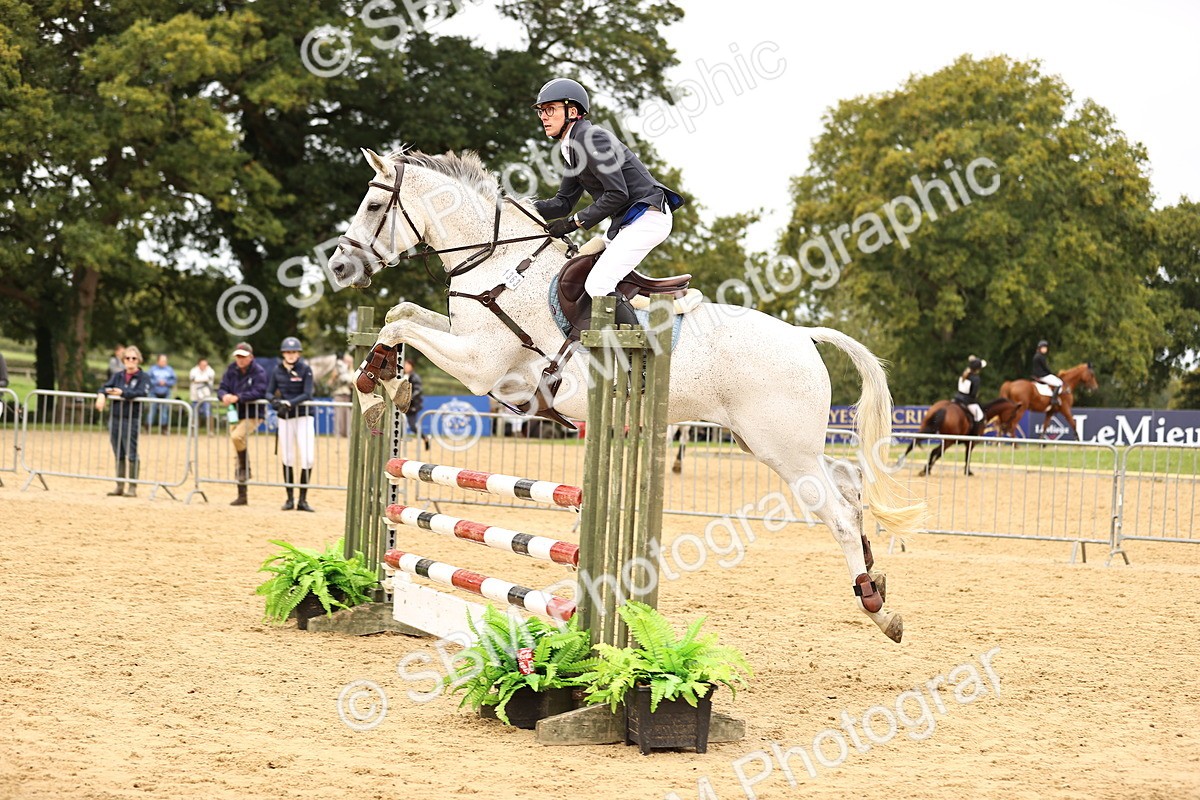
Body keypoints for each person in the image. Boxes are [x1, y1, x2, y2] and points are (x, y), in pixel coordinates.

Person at [531, 78, 685, 329]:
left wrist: (573, 223)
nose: (543, 117)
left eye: (550, 109)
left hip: (648, 216)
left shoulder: (591, 139)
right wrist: (516, 206)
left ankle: (641, 350)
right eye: (541, 111)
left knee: (598, 285)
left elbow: (617, 194)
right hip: (629, 222)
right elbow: (562, 203)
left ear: (572, 111)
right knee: (582, 270)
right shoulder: (571, 146)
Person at [267, 336, 316, 512]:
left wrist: (289, 403)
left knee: (308, 458)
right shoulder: (277, 370)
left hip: (303, 416)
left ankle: (303, 500)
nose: (290, 355)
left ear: (298, 354)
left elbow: (307, 394)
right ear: (283, 353)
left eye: (294, 352)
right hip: (285, 418)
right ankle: (289, 499)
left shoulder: (305, 369)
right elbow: (268, 392)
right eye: (288, 352)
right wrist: (276, 402)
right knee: (287, 457)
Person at [96, 345, 150, 497]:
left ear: (138, 360)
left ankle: (132, 487)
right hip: (115, 417)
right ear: (123, 360)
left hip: (131, 419)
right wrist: (101, 395)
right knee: (118, 452)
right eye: (128, 358)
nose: (130, 361)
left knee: (131, 453)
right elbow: (105, 387)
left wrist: (123, 393)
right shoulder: (118, 376)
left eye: (134, 358)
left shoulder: (143, 377)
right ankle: (119, 486)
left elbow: (141, 392)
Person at [218, 342, 267, 506]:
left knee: (237, 437)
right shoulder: (231, 370)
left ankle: (246, 469)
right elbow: (222, 387)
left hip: (252, 414)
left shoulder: (259, 372)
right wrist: (224, 396)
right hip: (236, 414)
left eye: (243, 356)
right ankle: (242, 494)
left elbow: (260, 391)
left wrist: (239, 397)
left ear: (251, 357)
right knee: (236, 449)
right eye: (238, 356)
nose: (240, 359)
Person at [402, 357, 431, 450]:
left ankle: (425, 438)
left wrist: (409, 397)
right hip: (402, 405)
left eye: (407, 365)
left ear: (412, 366)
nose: (405, 367)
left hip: (412, 406)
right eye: (404, 365)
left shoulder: (415, 377)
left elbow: (418, 390)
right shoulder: (402, 376)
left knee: (413, 426)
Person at [953, 356, 987, 433]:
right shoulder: (976, 378)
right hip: (967, 401)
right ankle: (974, 434)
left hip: (957, 398)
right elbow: (973, 394)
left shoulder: (964, 373)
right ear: (978, 369)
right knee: (979, 416)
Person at [146, 353, 177, 433]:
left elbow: (174, 380)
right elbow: (147, 379)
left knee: (164, 412)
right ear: (158, 361)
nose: (163, 362)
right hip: (154, 392)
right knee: (152, 410)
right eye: (162, 361)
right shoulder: (152, 369)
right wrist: (157, 382)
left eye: (165, 361)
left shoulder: (170, 370)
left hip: (165, 393)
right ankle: (147, 428)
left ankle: (164, 428)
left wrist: (166, 382)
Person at [1030, 340, 1063, 406]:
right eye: (1044, 348)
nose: (1045, 349)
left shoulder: (1037, 356)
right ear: (1040, 348)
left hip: (1039, 374)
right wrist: (1052, 373)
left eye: (1046, 348)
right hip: (1043, 375)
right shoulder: (1040, 357)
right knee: (1059, 383)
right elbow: (1045, 367)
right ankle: (1053, 400)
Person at [189, 357, 216, 433]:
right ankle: (193, 431)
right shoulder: (193, 371)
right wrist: (203, 380)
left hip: (206, 396)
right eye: (202, 364)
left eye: (205, 364)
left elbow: (208, 379)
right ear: (199, 364)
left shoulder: (210, 371)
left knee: (208, 413)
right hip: (195, 396)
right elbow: (193, 380)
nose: (204, 366)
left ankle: (210, 431)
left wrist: (198, 380)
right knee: (194, 413)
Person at [332, 353, 355, 437]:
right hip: (339, 394)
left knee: (348, 416)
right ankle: (338, 434)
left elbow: (353, 382)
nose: (347, 362)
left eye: (349, 361)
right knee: (339, 416)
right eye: (346, 360)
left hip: (348, 395)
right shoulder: (338, 368)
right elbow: (331, 382)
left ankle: (347, 434)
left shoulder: (352, 371)